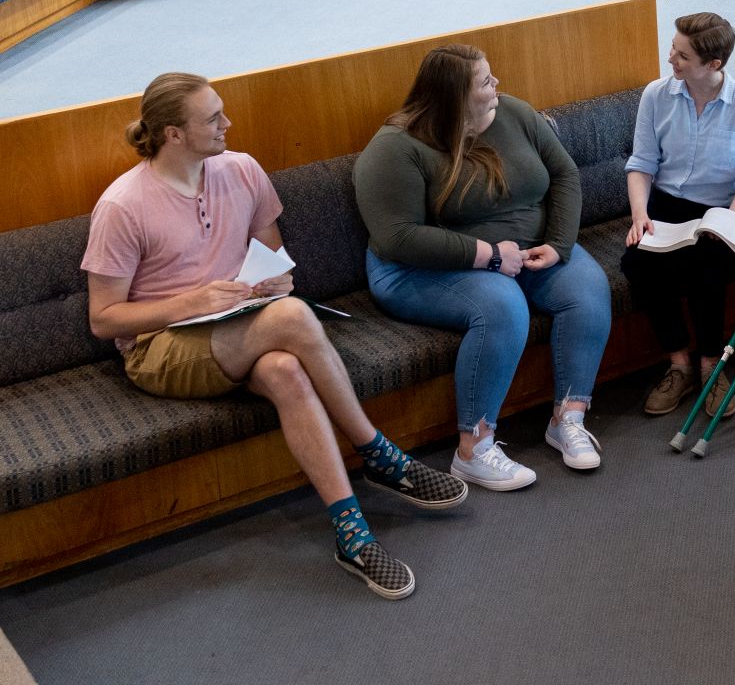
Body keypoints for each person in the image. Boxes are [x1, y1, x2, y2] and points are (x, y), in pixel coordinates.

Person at [82, 73, 465, 602]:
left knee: (285, 366)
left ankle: (351, 533)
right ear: (173, 134)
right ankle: (378, 453)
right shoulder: (123, 206)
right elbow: (103, 320)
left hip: (241, 327)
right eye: (213, 118)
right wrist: (191, 303)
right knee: (289, 319)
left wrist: (277, 280)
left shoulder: (241, 170)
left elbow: (274, 260)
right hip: (160, 345)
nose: (227, 124)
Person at [354, 44, 613, 490]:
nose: (498, 87)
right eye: (485, 82)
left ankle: (567, 418)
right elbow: (397, 237)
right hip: (420, 267)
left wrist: (558, 244)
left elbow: (565, 175)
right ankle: (473, 449)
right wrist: (490, 256)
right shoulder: (395, 147)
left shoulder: (514, 113)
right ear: (455, 96)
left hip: (527, 251)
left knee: (588, 289)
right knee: (502, 307)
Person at [622, 12, 735, 419]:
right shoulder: (656, 95)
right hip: (665, 204)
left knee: (709, 265)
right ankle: (680, 364)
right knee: (638, 262)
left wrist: (728, 222)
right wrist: (639, 216)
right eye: (673, 48)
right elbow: (642, 164)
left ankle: (712, 366)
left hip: (719, 209)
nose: (671, 59)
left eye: (682, 55)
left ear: (713, 65)